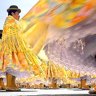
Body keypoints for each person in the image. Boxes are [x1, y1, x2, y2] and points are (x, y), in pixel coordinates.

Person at [0, 5, 44, 91]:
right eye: (17, 13)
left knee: (15, 65)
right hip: (12, 46)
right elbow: (11, 35)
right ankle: (9, 85)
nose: (19, 15)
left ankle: (12, 84)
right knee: (11, 65)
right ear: (12, 13)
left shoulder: (12, 20)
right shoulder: (10, 20)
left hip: (15, 45)